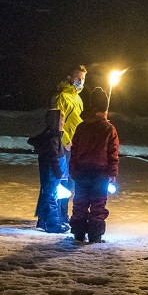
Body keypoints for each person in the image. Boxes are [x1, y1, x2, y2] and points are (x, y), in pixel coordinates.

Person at [68, 86, 119, 244]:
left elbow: (74, 150)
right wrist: (112, 173)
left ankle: (78, 234)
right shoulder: (108, 129)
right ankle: (95, 235)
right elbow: (112, 154)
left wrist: (73, 170)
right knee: (98, 203)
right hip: (100, 173)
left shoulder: (82, 127)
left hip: (82, 171)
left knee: (80, 202)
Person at [50, 64, 87, 224]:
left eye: (83, 79)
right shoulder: (61, 96)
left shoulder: (78, 98)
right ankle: (58, 215)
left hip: (75, 146)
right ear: (69, 78)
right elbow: (56, 121)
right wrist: (65, 140)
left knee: (70, 181)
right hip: (63, 146)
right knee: (61, 181)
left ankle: (63, 214)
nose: (81, 81)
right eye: (78, 78)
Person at [30, 108, 69, 232]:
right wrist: (57, 171)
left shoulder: (53, 136)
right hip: (51, 173)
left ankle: (43, 222)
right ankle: (52, 225)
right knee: (51, 197)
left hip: (50, 173)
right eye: (61, 122)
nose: (62, 125)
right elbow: (53, 156)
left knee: (48, 196)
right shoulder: (52, 138)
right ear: (56, 123)